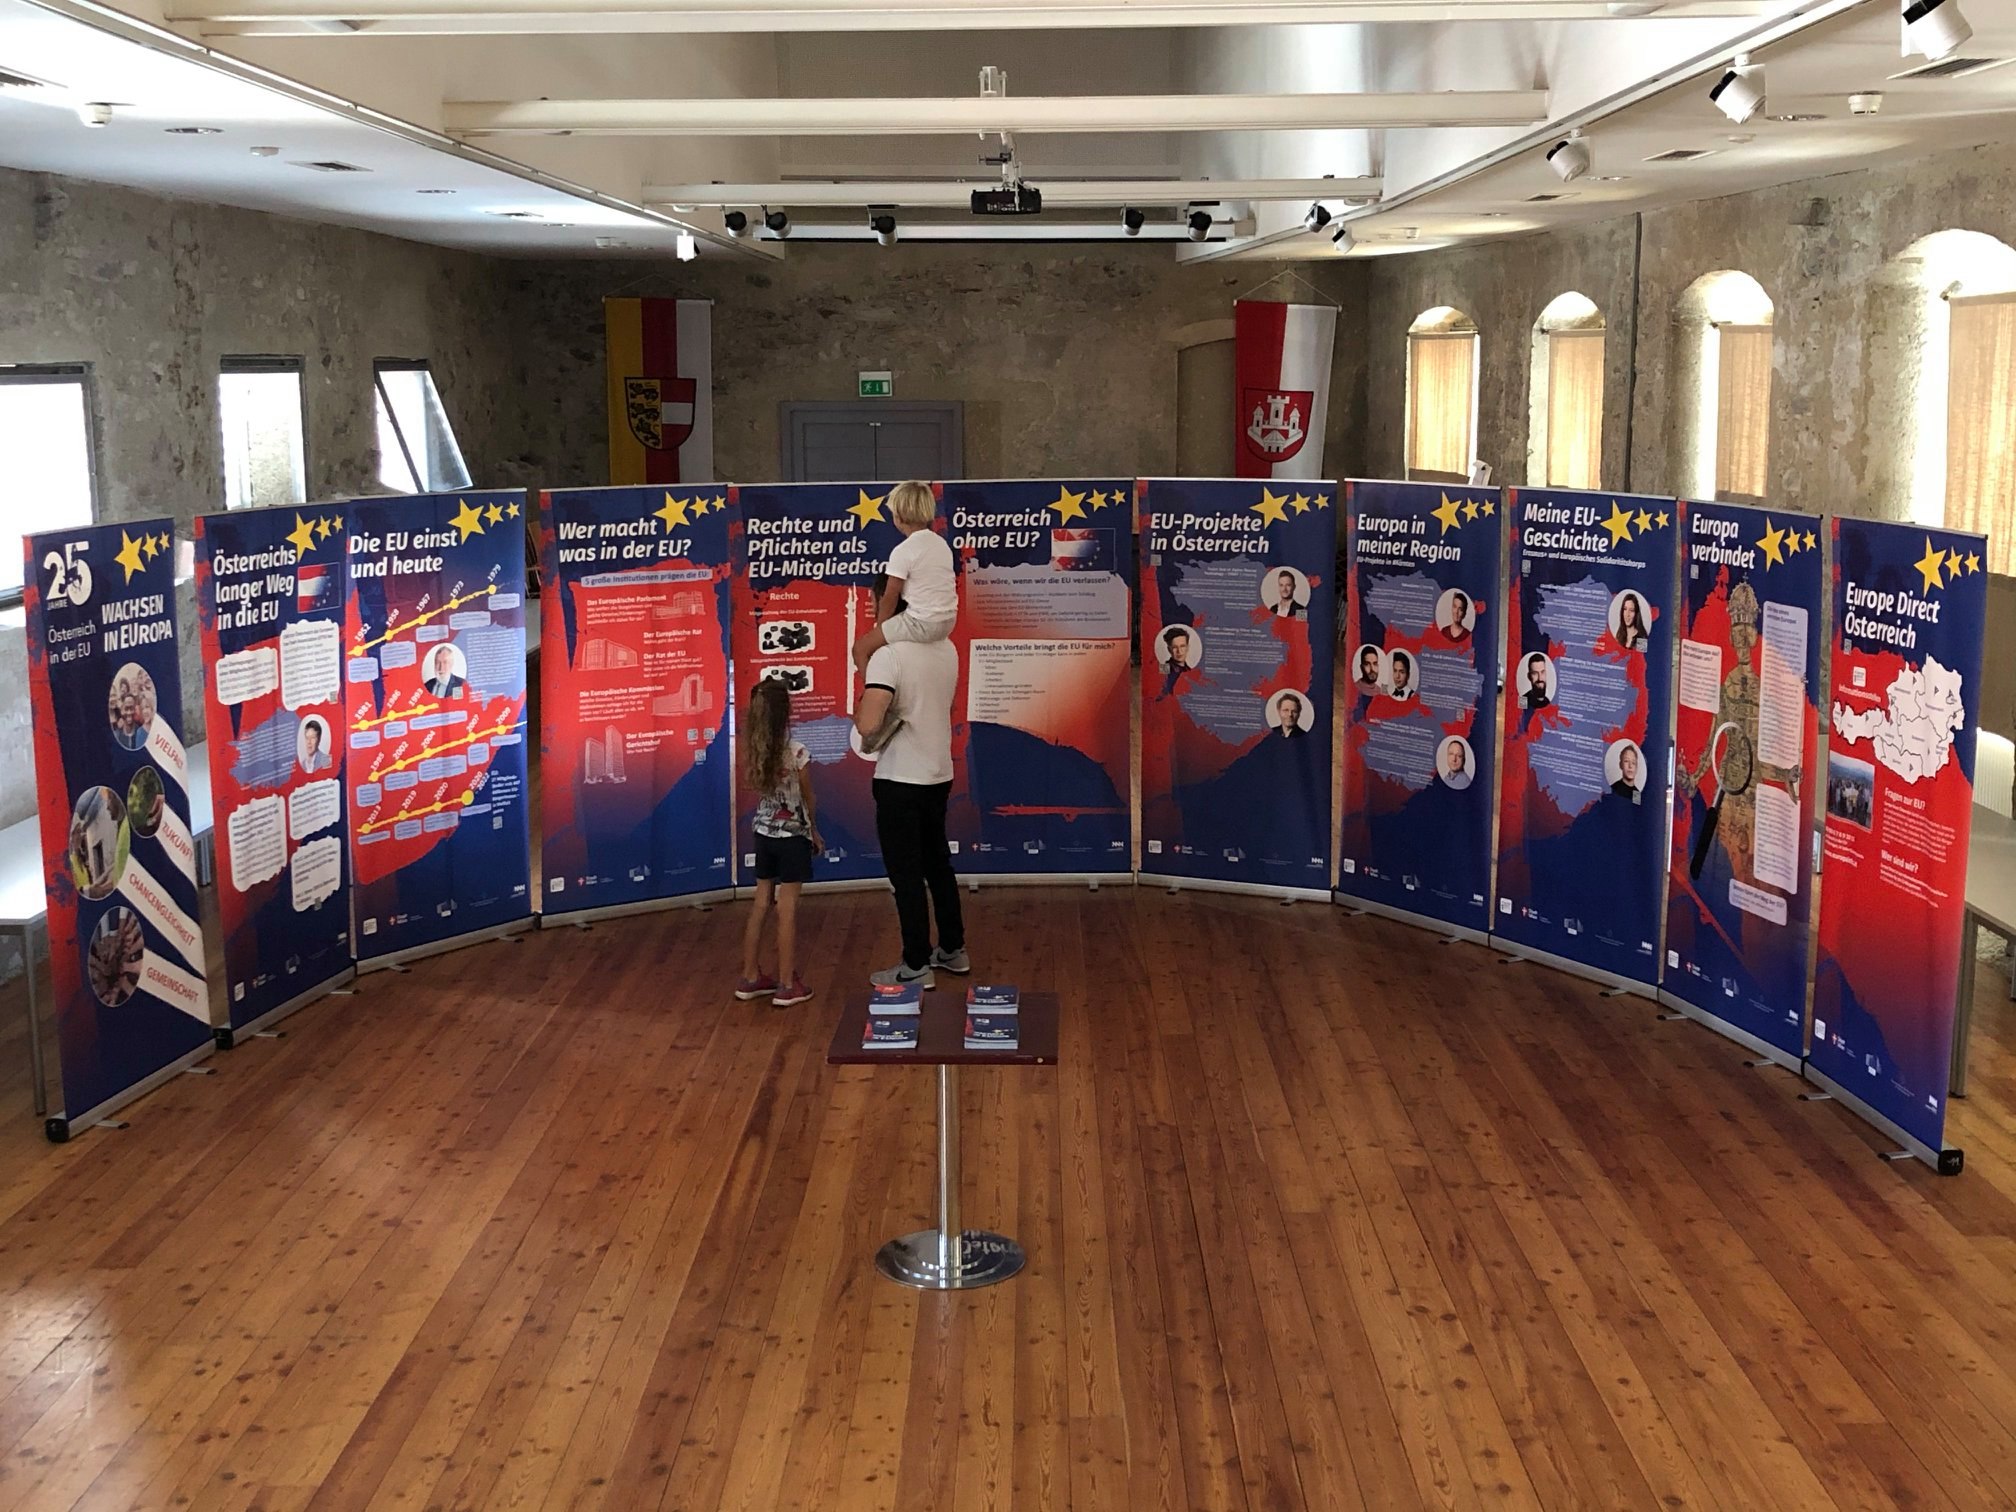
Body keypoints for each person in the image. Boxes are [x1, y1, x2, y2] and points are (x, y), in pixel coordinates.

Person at [855, 579, 968, 988]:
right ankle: (953, 949)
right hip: (938, 772)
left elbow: (869, 724)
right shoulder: (946, 648)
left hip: (900, 778)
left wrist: (861, 706)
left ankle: (916, 964)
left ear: (886, 603)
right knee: (938, 863)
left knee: (905, 874)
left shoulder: (888, 656)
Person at [735, 677, 821, 1007]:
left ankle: (750, 977)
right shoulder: (796, 752)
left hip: (763, 834)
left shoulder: (756, 751)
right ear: (785, 711)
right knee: (787, 909)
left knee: (761, 904)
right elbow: (808, 798)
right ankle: (787, 984)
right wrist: (814, 832)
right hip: (792, 837)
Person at [852, 480, 958, 670]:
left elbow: (890, 596)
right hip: (948, 621)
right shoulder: (941, 544)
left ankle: (875, 686)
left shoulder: (904, 550)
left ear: (898, 516)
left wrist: (880, 628)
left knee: (860, 650)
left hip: (923, 623)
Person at [1158, 626, 1198, 699]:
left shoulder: (1189, 669)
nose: (1179, 651)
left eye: (1182, 646)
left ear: (1187, 648)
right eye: (1174, 647)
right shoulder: (1164, 667)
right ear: (1169, 649)